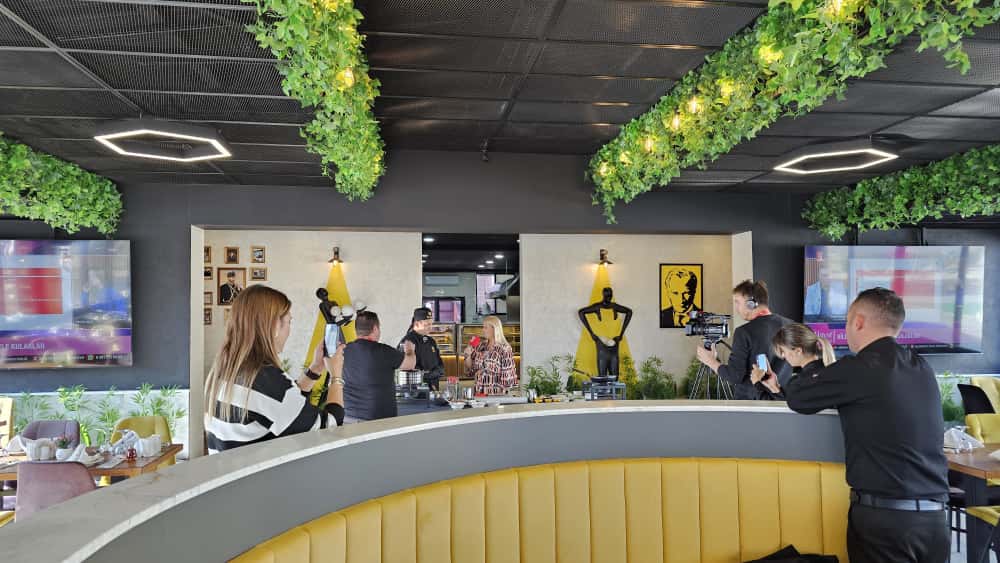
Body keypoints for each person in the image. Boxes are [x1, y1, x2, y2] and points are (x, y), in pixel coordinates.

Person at [783, 288, 950, 563]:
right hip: (935, 522)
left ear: (858, 322)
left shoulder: (860, 368)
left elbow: (798, 397)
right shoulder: (922, 367)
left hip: (886, 524)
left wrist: (808, 363)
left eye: (847, 322)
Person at [204, 285, 344, 454]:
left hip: (232, 469)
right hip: (256, 471)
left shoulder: (227, 368)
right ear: (275, 326)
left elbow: (282, 407)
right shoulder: (265, 378)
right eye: (289, 322)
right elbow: (330, 428)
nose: (289, 330)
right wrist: (336, 375)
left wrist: (315, 368)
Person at [695, 280, 792, 400]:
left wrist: (710, 361)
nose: (736, 308)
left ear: (751, 304)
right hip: (782, 402)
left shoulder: (744, 332)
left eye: (737, 302)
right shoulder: (790, 325)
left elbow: (735, 376)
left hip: (750, 404)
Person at [342, 311, 416, 422]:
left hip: (349, 415)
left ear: (356, 330)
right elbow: (410, 364)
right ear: (375, 328)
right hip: (377, 420)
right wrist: (410, 349)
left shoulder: (344, 350)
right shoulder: (384, 351)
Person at [750, 323, 836, 399]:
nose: (783, 356)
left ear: (798, 351)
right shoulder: (831, 372)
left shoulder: (799, 383)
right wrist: (774, 387)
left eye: (783, 351)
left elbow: (784, 410)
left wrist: (757, 385)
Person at [399, 307, 449, 406]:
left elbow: (439, 363)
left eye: (431, 324)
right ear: (417, 324)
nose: (430, 327)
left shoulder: (431, 341)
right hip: (416, 395)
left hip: (433, 390)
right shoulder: (408, 341)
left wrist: (438, 371)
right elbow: (404, 369)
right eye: (427, 324)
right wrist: (426, 375)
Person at [578, 287, 632, 377]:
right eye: (607, 296)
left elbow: (629, 312)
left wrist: (621, 334)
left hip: (614, 345)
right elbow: (581, 312)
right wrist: (591, 333)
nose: (608, 298)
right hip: (601, 345)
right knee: (602, 377)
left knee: (614, 377)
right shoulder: (597, 306)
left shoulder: (614, 306)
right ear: (603, 295)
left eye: (610, 296)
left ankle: (613, 385)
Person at [465, 315, 517, 395]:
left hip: (495, 395)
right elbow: (471, 370)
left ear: (494, 329)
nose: (483, 330)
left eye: (485, 327)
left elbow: (508, 378)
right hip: (479, 394)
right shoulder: (480, 346)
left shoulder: (504, 349)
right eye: (483, 327)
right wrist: (468, 356)